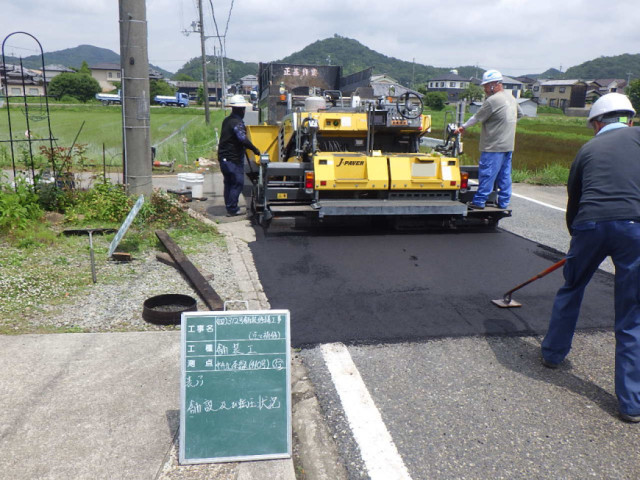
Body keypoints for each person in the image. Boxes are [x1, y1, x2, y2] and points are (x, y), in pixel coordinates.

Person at [540, 92, 640, 423]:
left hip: (590, 224)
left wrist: (577, 239)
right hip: (634, 228)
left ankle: (553, 355)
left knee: (572, 287)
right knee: (632, 314)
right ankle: (631, 403)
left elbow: (575, 197)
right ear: (629, 117)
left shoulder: (587, 150)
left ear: (597, 122)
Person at [454, 69, 523, 209]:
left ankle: (479, 202)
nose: (484, 89)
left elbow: (477, 117)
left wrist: (462, 127)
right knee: (504, 176)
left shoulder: (492, 100)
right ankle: (504, 202)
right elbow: (520, 114)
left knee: (487, 174)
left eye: (486, 85)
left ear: (494, 85)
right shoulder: (511, 98)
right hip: (508, 145)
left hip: (493, 146)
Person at [217, 94, 261, 216]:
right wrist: (256, 150)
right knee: (237, 182)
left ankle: (230, 207)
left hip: (223, 158)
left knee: (229, 183)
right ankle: (232, 209)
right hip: (232, 159)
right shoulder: (237, 123)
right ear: (242, 109)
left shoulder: (227, 120)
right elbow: (243, 139)